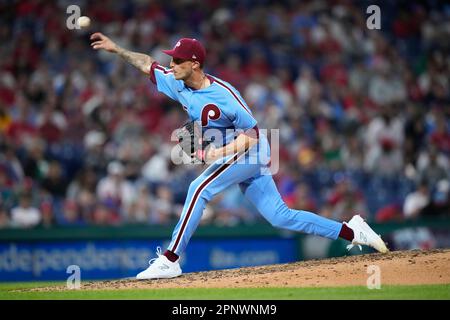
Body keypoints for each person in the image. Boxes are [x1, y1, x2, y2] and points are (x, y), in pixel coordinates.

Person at [90, 33, 389, 280]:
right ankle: (352, 230)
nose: (172, 63)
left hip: (252, 149)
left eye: (177, 59)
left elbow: (253, 135)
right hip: (240, 151)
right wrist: (117, 49)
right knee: (280, 216)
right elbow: (146, 64)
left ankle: (170, 259)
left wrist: (215, 153)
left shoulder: (224, 95)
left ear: (194, 64)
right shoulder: (176, 81)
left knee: (199, 189)